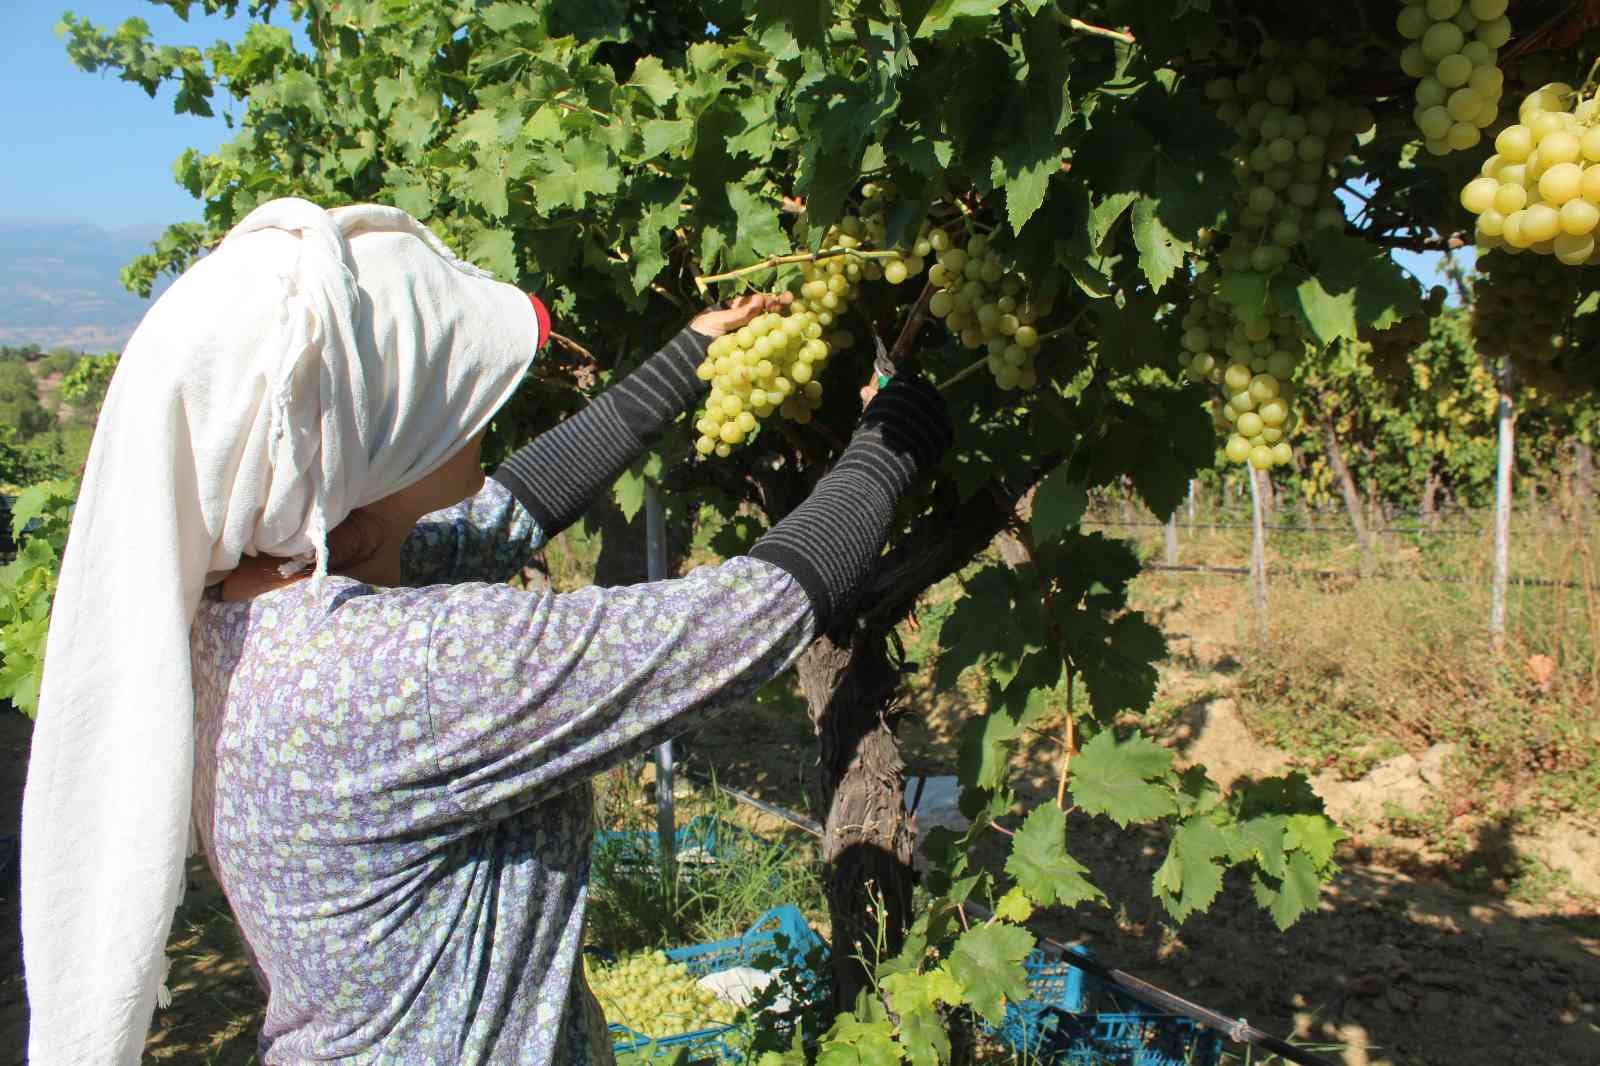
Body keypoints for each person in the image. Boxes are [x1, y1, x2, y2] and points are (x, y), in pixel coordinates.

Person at [20, 198, 950, 1066]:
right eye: (447, 393)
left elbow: (508, 510)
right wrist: (893, 439)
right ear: (364, 450)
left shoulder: (252, 596)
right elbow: (752, 615)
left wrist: (684, 359)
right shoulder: (406, 671)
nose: (480, 406)